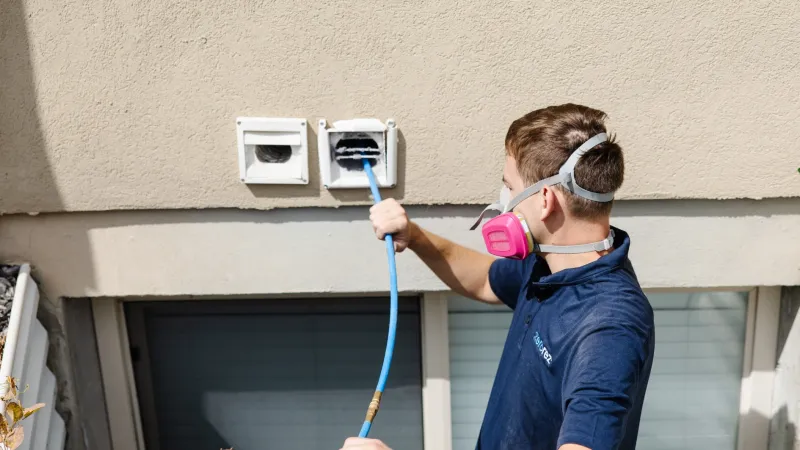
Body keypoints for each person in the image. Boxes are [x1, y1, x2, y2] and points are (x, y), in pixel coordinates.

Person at [341, 104, 655, 450]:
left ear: (546, 199)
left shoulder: (610, 327)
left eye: (509, 186)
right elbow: (484, 279)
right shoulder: (550, 262)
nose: (504, 202)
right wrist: (414, 236)